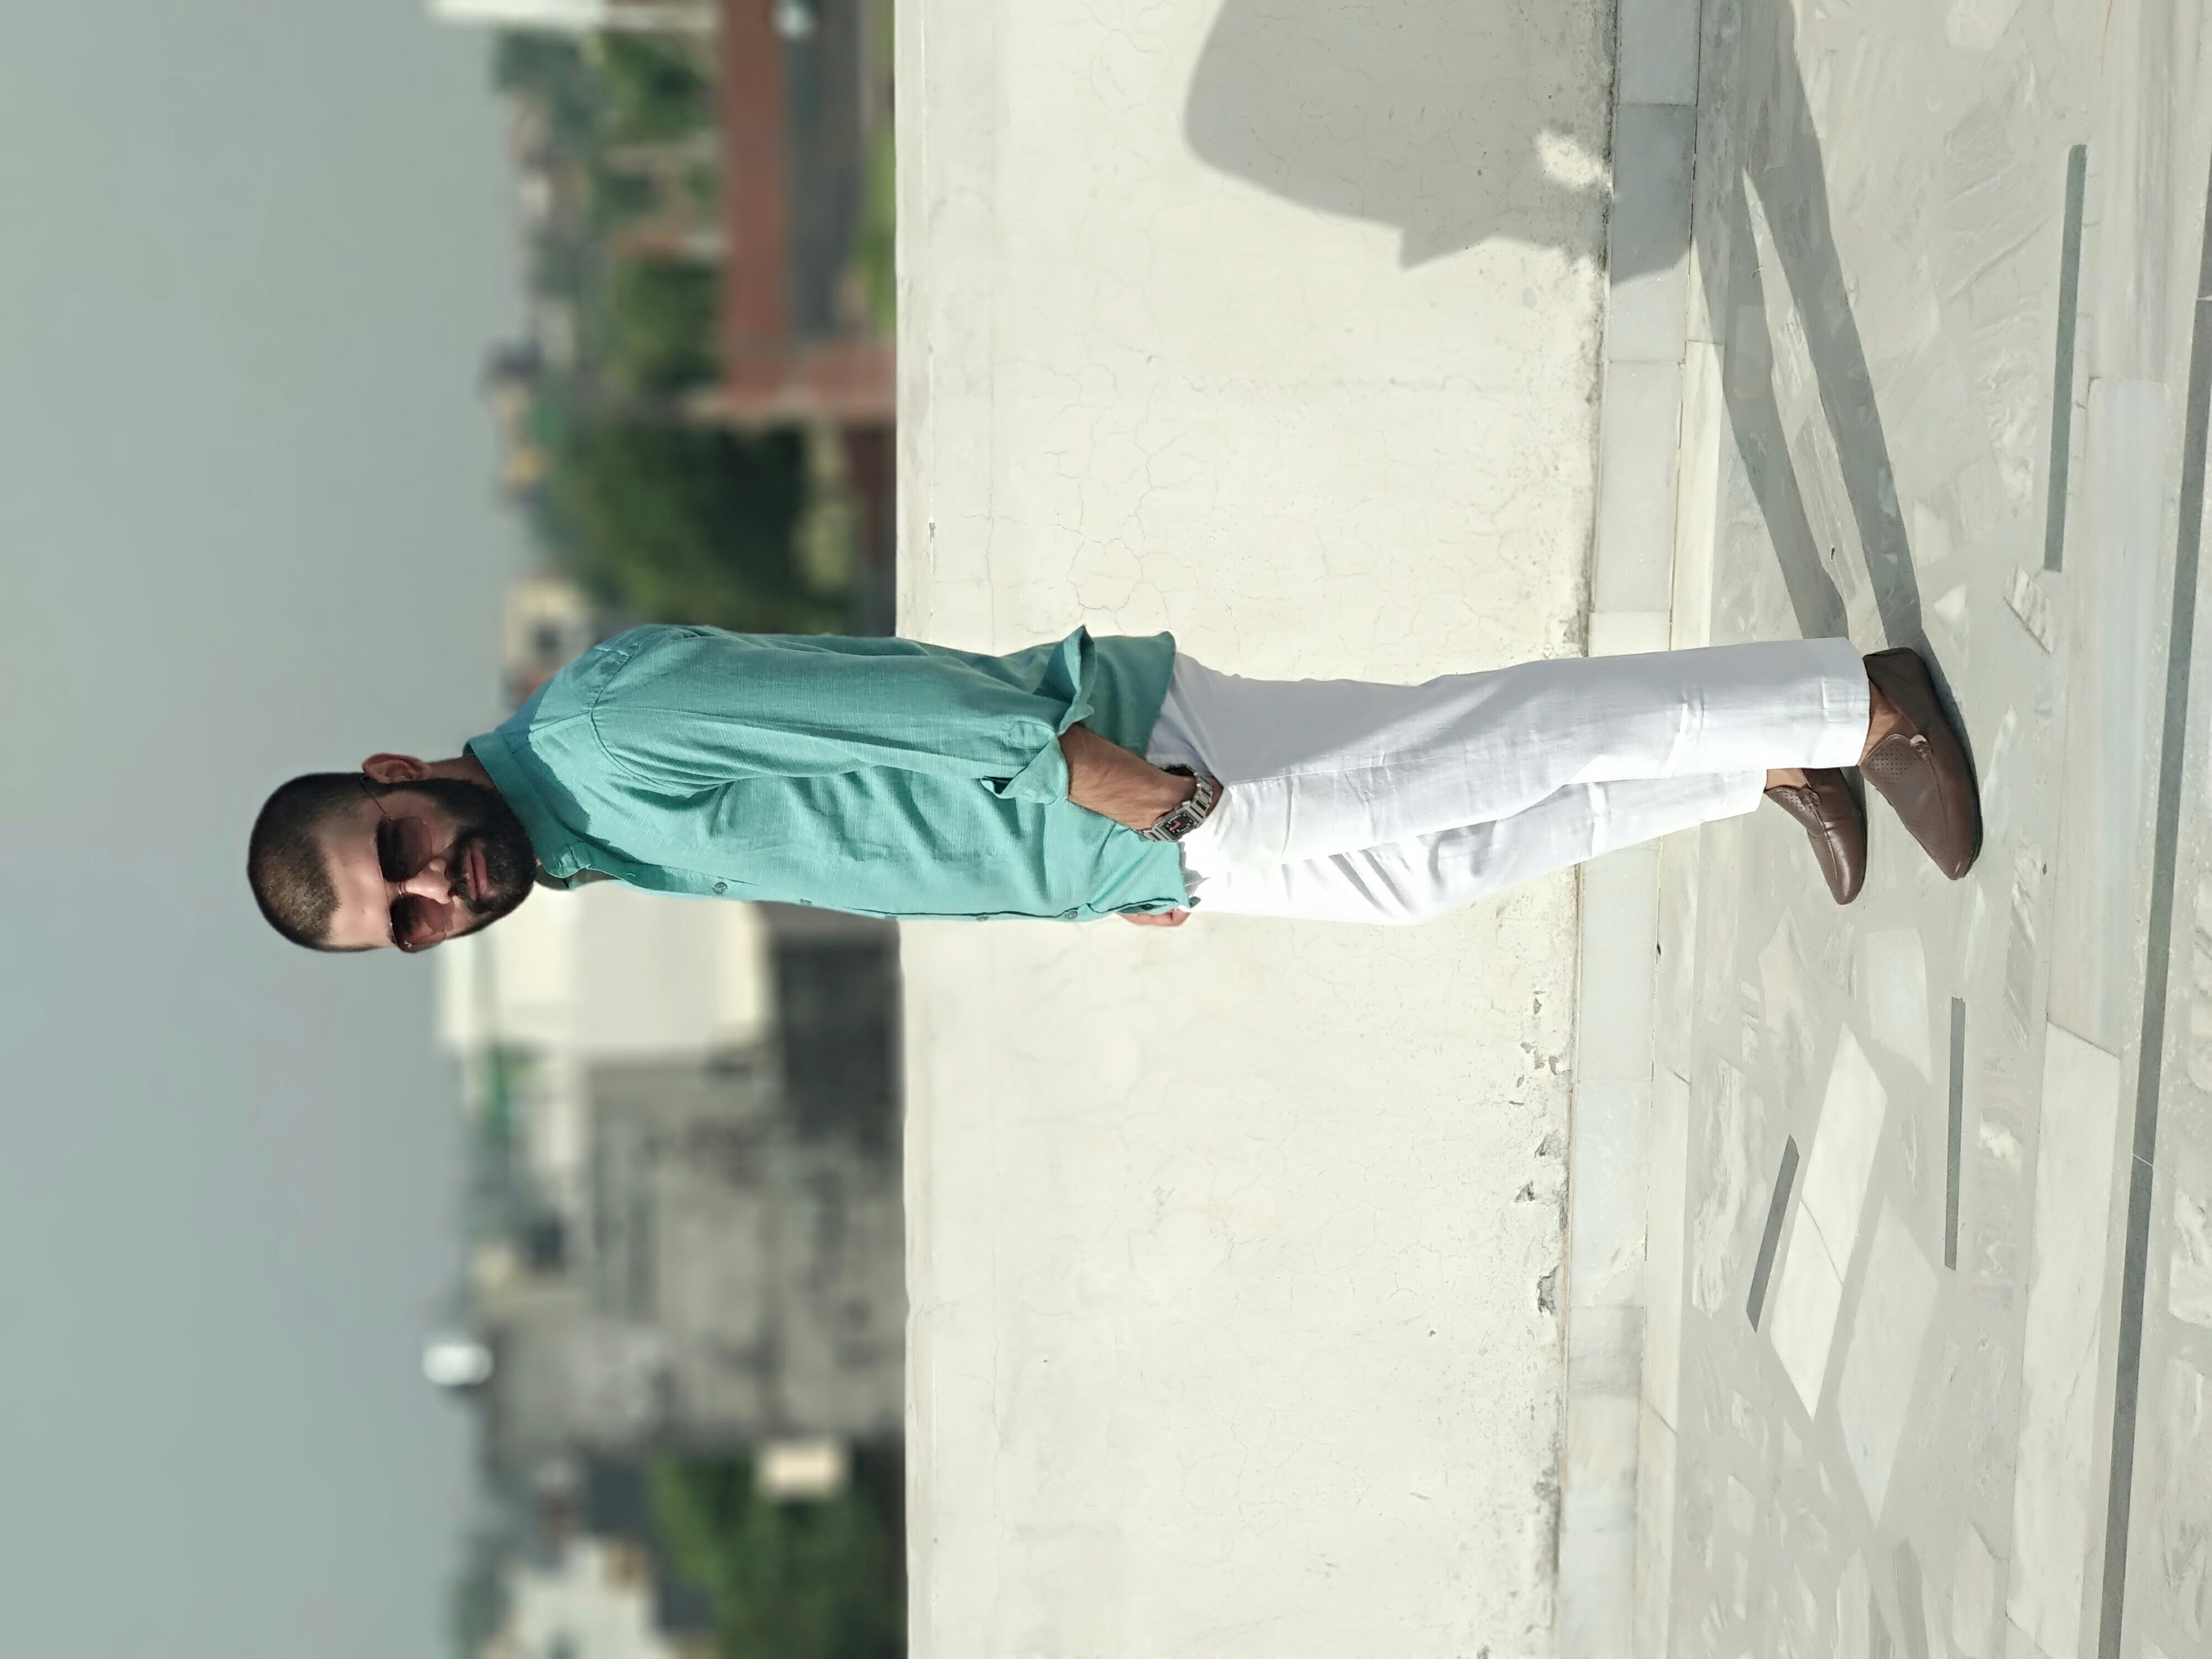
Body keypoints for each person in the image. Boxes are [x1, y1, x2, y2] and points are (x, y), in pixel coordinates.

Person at [247, 624, 1979, 952]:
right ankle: (1763, 758)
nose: (437, 887)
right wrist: (1093, 883)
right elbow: (869, 841)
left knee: (1485, 749)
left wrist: (1103, 787)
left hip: (1130, 774)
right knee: (1426, 875)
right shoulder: (578, 841)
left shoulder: (603, 735)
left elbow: (878, 712)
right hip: (1110, 849)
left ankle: (1859, 704)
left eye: (401, 848)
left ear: (397, 775)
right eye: (409, 921)